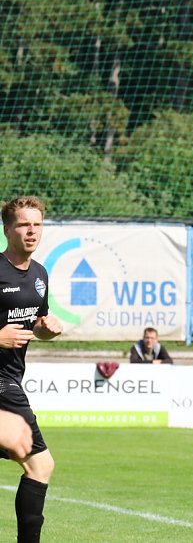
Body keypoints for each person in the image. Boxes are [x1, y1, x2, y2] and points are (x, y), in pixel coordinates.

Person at [0, 196, 64, 542]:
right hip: (1, 385)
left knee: (36, 464)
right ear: (7, 228)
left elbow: (33, 326)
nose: (31, 231)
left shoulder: (39, 274)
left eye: (37, 225)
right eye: (24, 224)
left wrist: (46, 330)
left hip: (11, 378)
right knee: (40, 464)